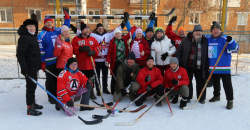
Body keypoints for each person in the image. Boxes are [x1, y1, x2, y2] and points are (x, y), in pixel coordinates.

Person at [70, 17, 130, 97]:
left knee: (105, 76)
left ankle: (105, 89)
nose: (100, 29)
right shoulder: (92, 35)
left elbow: (117, 29)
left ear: (104, 29)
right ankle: (98, 90)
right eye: (99, 28)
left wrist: (124, 22)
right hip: (95, 60)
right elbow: (79, 32)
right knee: (96, 76)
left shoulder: (109, 35)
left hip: (105, 60)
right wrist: (71, 25)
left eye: (102, 28)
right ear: (96, 29)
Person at [37, 10, 70, 104]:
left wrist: (67, 18)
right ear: (44, 24)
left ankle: (56, 94)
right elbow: (41, 50)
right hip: (48, 61)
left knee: (57, 79)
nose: (49, 24)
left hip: (58, 60)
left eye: (51, 22)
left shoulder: (57, 31)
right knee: (50, 79)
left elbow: (65, 27)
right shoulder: (41, 35)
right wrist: (42, 62)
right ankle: (50, 96)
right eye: (47, 22)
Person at [206, 21, 239, 109]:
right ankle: (216, 96)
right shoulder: (208, 39)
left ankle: (230, 100)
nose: (215, 31)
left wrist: (231, 41)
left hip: (224, 67)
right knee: (216, 83)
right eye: (213, 29)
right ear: (211, 31)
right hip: (213, 67)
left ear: (220, 30)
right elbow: (198, 35)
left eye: (217, 29)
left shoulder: (225, 39)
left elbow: (236, 48)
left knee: (227, 84)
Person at [175, 25, 209, 104]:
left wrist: (207, 66)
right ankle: (188, 97)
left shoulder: (205, 41)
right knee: (188, 82)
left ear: (201, 32)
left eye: (199, 31)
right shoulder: (186, 40)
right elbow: (179, 51)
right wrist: (178, 62)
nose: (198, 33)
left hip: (200, 66)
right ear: (193, 32)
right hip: (188, 65)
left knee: (200, 82)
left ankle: (201, 98)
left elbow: (208, 54)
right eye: (196, 31)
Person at [16, 18, 43, 116]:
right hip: (28, 68)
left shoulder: (32, 36)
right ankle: (29, 108)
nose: (32, 28)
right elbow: (20, 54)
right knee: (31, 87)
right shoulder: (24, 37)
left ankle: (33, 103)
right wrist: (24, 68)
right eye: (30, 26)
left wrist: (35, 20)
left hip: (33, 66)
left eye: (33, 26)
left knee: (33, 86)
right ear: (25, 27)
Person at [71, 22, 99, 111]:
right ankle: (78, 96)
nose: (88, 30)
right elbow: (74, 51)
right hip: (80, 65)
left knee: (90, 82)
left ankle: (88, 98)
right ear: (82, 30)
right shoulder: (76, 39)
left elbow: (97, 48)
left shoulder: (93, 39)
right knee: (80, 83)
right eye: (86, 29)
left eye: (88, 28)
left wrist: (94, 52)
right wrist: (80, 49)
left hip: (90, 65)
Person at [106, 25, 137, 95]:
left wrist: (134, 27)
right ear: (114, 35)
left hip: (124, 61)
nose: (117, 35)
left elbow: (130, 34)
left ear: (121, 33)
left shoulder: (124, 39)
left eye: (119, 33)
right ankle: (113, 91)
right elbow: (109, 53)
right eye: (116, 34)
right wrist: (107, 61)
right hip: (116, 62)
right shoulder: (112, 42)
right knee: (114, 76)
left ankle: (124, 89)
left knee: (124, 75)